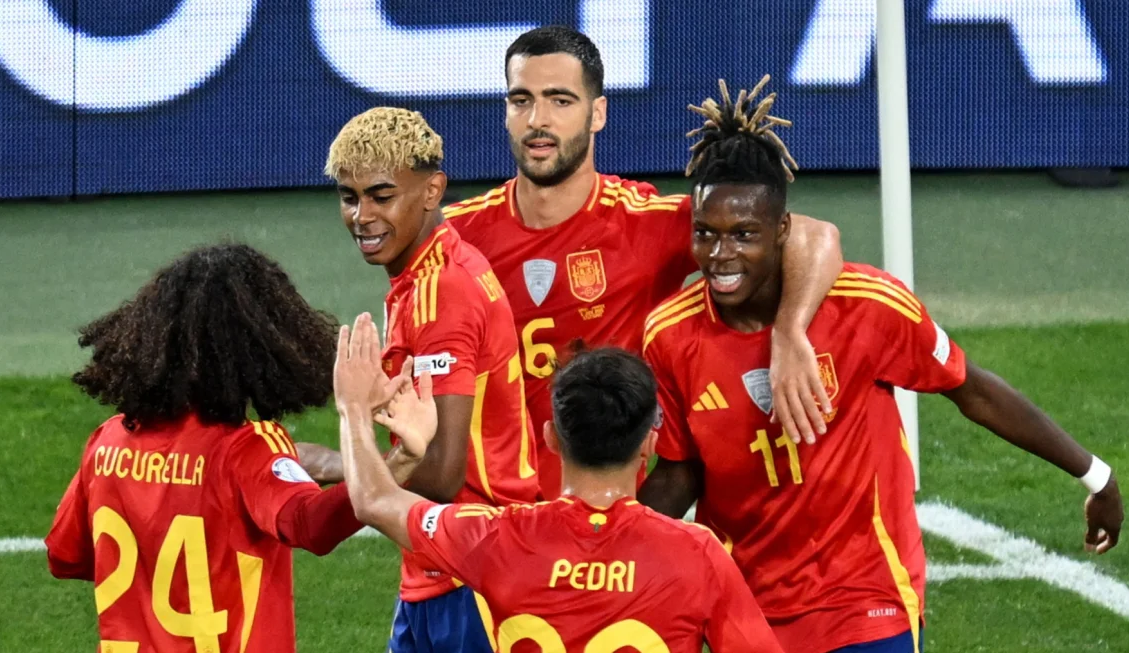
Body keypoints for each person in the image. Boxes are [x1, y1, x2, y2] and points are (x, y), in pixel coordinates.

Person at [637, 77, 1126, 653]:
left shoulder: (866, 305)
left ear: (784, 231)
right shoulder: (669, 336)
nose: (721, 256)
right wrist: (608, 546)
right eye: (705, 235)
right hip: (745, 606)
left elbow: (971, 390)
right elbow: (679, 472)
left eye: (744, 234)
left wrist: (1096, 475)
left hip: (866, 600)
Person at [442, 26, 845, 499]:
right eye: (521, 100)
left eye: (560, 101)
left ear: (598, 114)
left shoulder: (645, 224)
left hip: (604, 512)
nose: (537, 120)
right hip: (489, 516)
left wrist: (789, 331)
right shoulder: (456, 234)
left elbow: (816, 236)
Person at [334, 311, 785, 652]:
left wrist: (354, 411)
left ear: (550, 437)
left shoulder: (495, 536)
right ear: (649, 441)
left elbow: (373, 498)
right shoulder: (699, 555)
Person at [44, 244, 366, 653]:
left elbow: (65, 557)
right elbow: (310, 525)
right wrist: (394, 468)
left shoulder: (107, 442)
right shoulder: (246, 448)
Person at [311, 106, 542, 653]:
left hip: (475, 577)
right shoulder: (422, 279)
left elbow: (440, 471)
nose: (362, 216)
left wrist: (337, 458)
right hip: (438, 568)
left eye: (381, 195)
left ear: (432, 190)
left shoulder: (443, 291)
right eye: (350, 196)